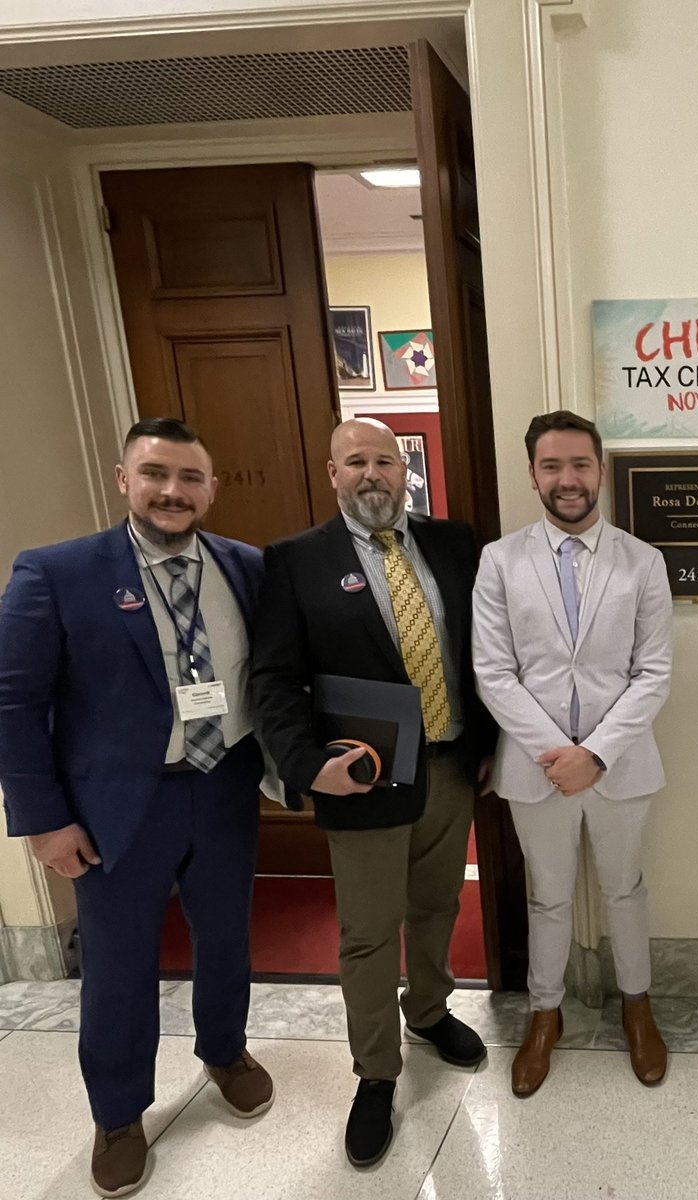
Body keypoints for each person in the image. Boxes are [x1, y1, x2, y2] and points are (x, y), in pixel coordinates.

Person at [0, 418, 273, 1198]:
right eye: (155, 473)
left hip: (223, 786)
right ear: (123, 479)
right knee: (118, 970)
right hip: (118, 807)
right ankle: (118, 1114)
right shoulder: (57, 573)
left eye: (190, 478)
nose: (172, 492)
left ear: (211, 488)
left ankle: (225, 1050)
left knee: (227, 939)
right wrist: (45, 822)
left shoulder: (248, 568)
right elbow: (14, 704)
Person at [250, 418, 495, 1169]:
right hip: (361, 779)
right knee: (365, 933)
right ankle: (376, 1074)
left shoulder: (457, 546)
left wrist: (490, 742)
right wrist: (304, 765)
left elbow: (487, 651)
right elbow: (271, 679)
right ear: (332, 473)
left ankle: (427, 1011)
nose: (371, 474)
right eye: (354, 461)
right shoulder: (294, 563)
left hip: (453, 765)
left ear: (404, 470)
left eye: (384, 460)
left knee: (438, 905)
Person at [472, 410, 673, 1097]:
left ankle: (637, 1008)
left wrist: (598, 753)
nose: (567, 480)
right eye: (552, 466)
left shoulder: (642, 562)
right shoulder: (499, 561)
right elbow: (492, 671)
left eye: (579, 465)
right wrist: (557, 752)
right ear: (532, 474)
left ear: (600, 472)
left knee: (625, 890)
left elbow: (653, 671)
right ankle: (544, 1014)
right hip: (537, 769)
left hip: (620, 766)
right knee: (549, 898)